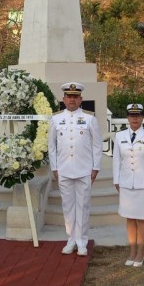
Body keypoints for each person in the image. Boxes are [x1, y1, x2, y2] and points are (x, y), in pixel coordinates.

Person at [49, 82, 103, 256]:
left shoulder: (90, 118)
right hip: (64, 169)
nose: (72, 100)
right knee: (68, 206)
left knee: (83, 206)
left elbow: (97, 145)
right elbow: (51, 146)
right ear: (63, 99)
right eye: (69, 96)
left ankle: (82, 241)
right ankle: (71, 239)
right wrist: (54, 167)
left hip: (84, 169)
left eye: (75, 97)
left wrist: (95, 167)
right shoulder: (56, 119)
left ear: (81, 99)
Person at [112, 103, 144, 267]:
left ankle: (141, 252)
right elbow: (116, 160)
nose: (135, 118)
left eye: (138, 115)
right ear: (127, 117)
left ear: (142, 117)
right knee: (130, 218)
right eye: (132, 115)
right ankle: (132, 250)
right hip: (126, 182)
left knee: (142, 219)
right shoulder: (119, 136)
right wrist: (116, 180)